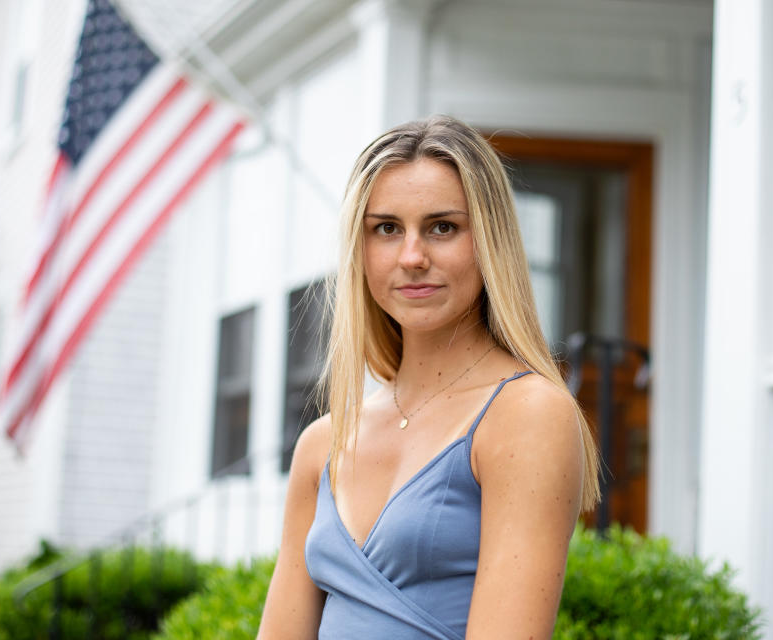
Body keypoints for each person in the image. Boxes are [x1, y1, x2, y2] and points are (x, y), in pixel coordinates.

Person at [257, 115, 601, 639]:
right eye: (387, 229)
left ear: (489, 242)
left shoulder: (526, 414)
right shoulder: (322, 443)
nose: (412, 257)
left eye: (443, 227)